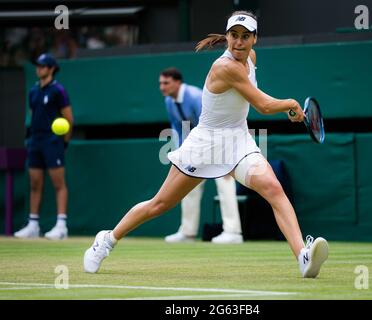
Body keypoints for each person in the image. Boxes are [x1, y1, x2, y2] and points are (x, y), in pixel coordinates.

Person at [83, 10, 329, 278]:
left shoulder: (250, 59)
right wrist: (290, 105)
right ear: (226, 37)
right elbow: (262, 105)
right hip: (205, 144)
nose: (238, 42)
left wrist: (285, 108)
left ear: (254, 40)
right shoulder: (225, 67)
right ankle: (106, 240)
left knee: (273, 188)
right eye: (233, 36)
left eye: (245, 36)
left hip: (238, 140)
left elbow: (256, 95)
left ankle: (302, 257)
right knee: (160, 204)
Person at [159, 67, 243, 244]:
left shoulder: (196, 97)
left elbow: (214, 124)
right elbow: (177, 128)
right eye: (160, 83)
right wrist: (182, 154)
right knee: (188, 187)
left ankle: (233, 232)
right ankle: (188, 232)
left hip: (219, 142)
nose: (162, 87)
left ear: (177, 82)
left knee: (225, 184)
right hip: (197, 149)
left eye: (166, 83)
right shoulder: (168, 102)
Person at [14, 53, 73, 240]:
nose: (38, 68)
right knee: (35, 183)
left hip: (53, 142)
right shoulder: (33, 91)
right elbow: (32, 115)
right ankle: (33, 225)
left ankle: (61, 226)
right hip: (35, 141)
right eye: (37, 65)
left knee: (58, 184)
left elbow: (69, 119)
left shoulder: (59, 91)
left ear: (51, 68)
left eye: (42, 66)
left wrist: (63, 143)